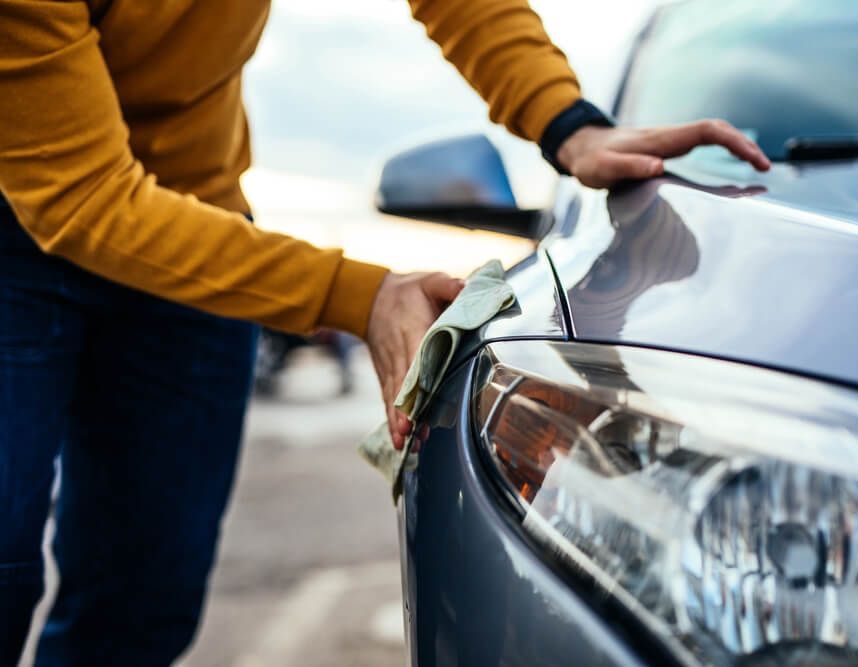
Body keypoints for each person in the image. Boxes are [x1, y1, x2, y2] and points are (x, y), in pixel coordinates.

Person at [0, 0, 770, 663]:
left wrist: (568, 125)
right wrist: (355, 294)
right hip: (21, 227)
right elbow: (82, 199)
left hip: (197, 219)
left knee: (146, 597)